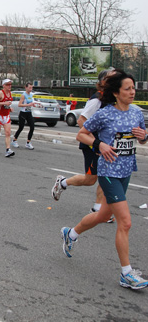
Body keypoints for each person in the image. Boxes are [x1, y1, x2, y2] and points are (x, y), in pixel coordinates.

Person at [60, 70, 148, 290]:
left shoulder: (137, 113)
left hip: (127, 170)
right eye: (127, 88)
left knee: (103, 214)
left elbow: (144, 139)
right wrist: (99, 144)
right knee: (125, 222)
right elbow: (81, 134)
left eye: (133, 88)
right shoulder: (105, 113)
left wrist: (143, 137)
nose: (132, 92)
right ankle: (126, 274)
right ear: (116, 93)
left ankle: (70, 233)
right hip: (108, 172)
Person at [51, 68, 117, 223]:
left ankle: (97, 209)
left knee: (104, 176)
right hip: (91, 145)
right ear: (102, 82)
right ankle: (62, 183)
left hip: (105, 146)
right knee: (90, 179)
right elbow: (81, 120)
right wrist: (96, 142)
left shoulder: (112, 99)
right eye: (111, 78)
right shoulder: (96, 100)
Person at [11, 82, 38, 150]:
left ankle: (28, 143)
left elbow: (29, 103)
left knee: (32, 127)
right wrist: (28, 105)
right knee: (21, 128)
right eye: (29, 87)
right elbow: (19, 105)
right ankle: (14, 140)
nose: (31, 89)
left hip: (29, 113)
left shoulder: (31, 95)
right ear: (26, 88)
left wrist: (33, 104)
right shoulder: (23, 95)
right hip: (23, 113)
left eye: (31, 87)